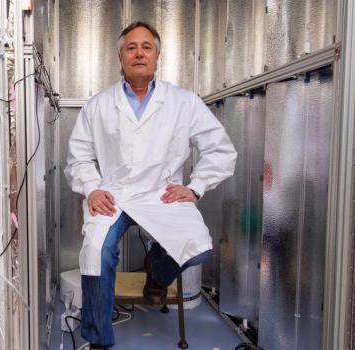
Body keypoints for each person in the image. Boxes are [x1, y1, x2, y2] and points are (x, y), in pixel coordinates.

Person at [64, 21, 237, 349]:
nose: (139, 53)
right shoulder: (99, 104)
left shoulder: (184, 102)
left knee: (197, 247)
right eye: (131, 47)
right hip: (114, 193)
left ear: (158, 56)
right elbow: (79, 157)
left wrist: (196, 186)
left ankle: (157, 272)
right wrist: (92, 188)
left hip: (162, 192)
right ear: (121, 57)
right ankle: (99, 339)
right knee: (97, 253)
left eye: (146, 47)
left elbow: (220, 148)